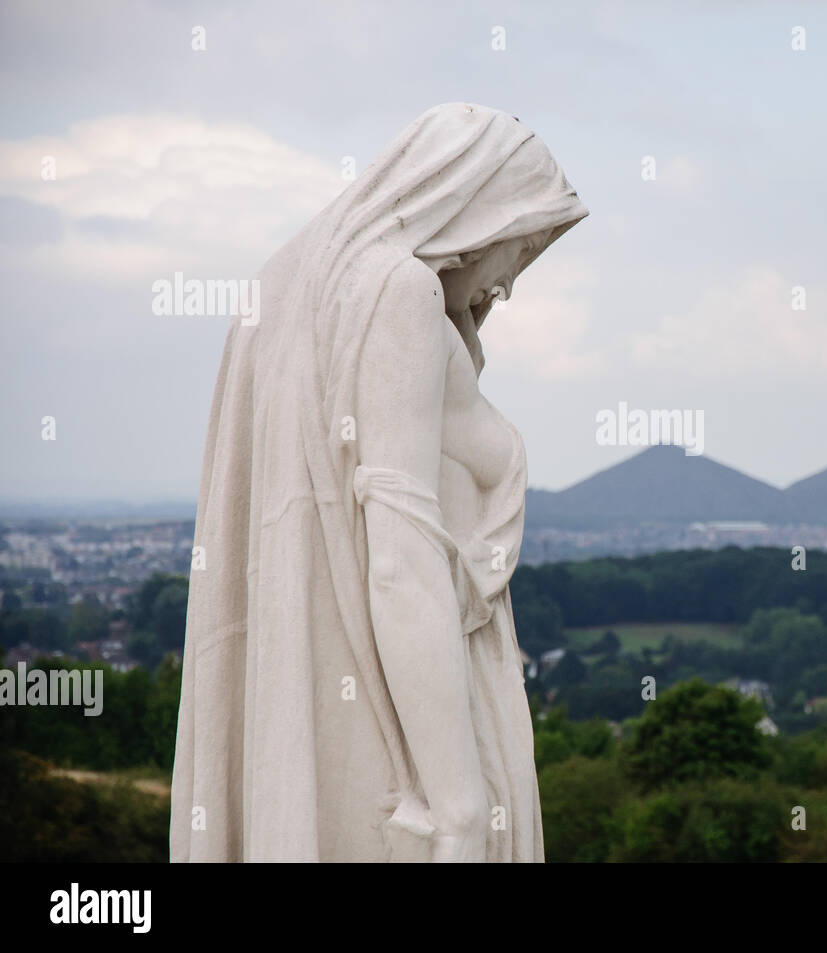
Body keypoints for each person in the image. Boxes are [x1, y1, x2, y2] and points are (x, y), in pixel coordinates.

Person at [170, 103, 588, 862]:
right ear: (473, 204)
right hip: (412, 742)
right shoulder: (397, 295)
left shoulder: (288, 286)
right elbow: (398, 564)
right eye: (522, 245)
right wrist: (458, 799)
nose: (511, 280)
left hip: (317, 721)